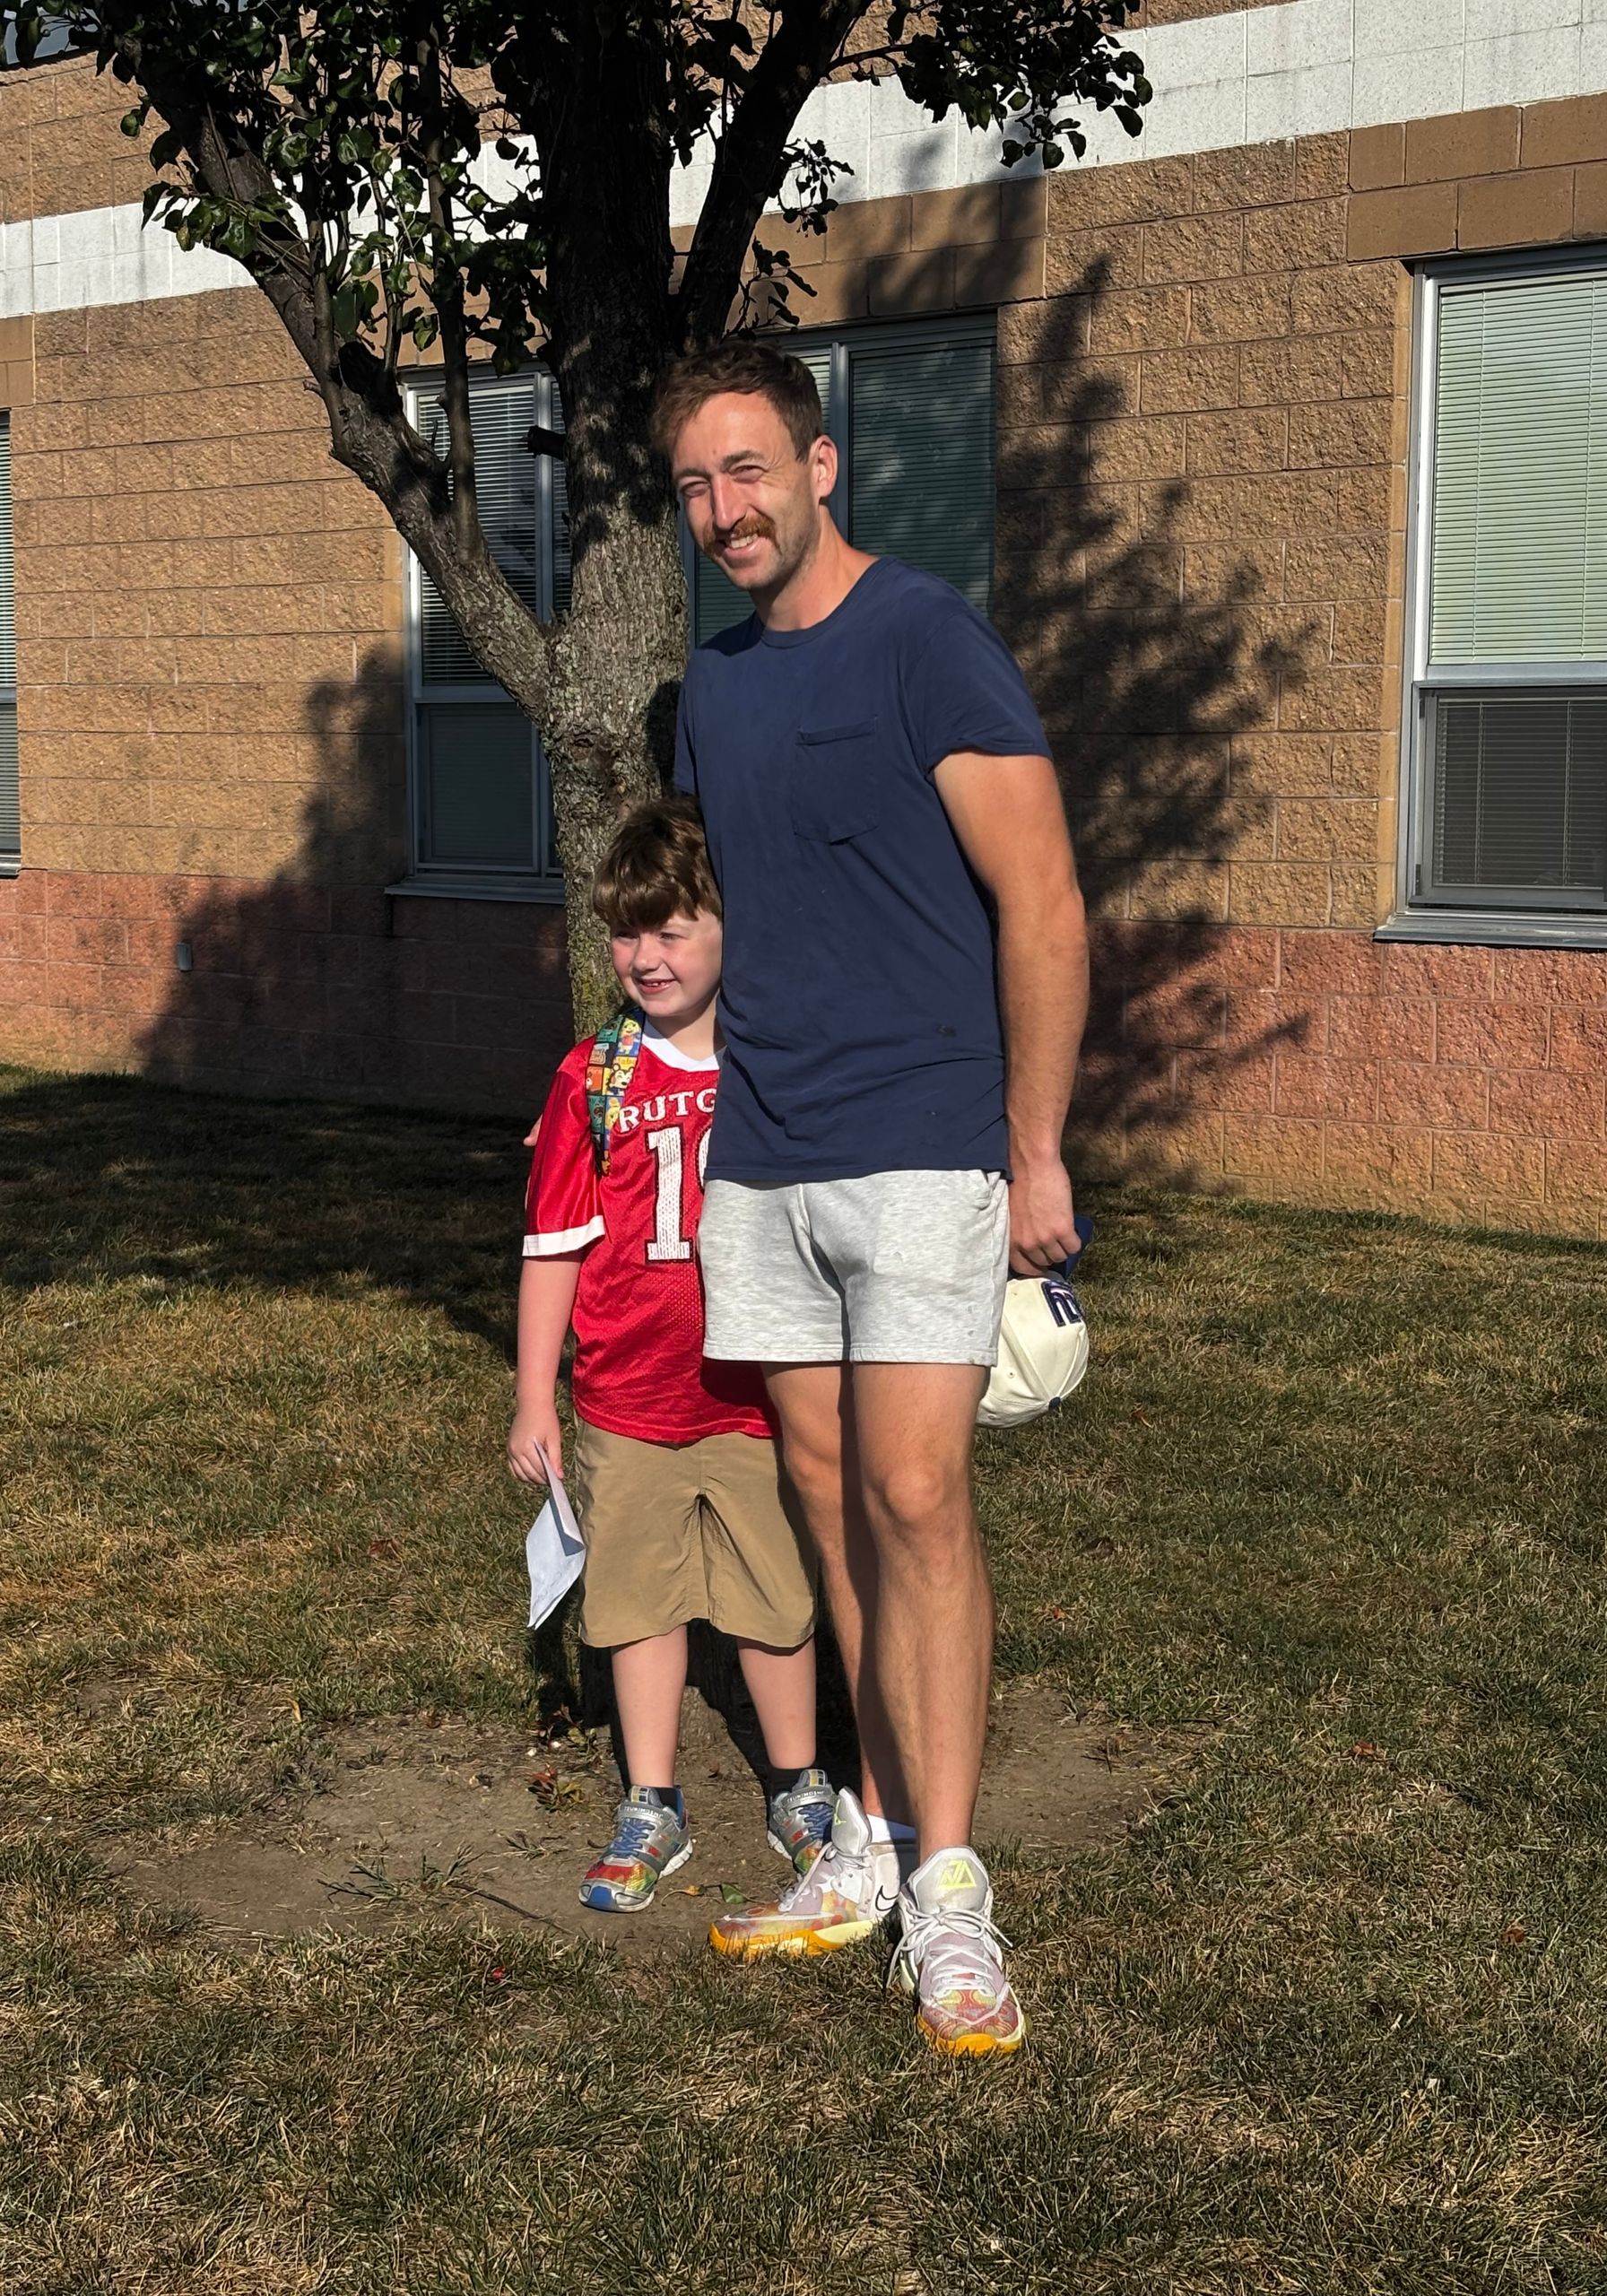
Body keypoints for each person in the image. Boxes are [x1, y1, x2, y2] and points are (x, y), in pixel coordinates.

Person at [657, 340, 1088, 2056]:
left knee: (917, 1495)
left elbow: (1043, 902)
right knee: (831, 1500)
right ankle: (878, 1837)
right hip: (763, 1152)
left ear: (823, 467)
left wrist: (1036, 1144)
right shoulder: (711, 686)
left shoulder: (925, 640)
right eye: (695, 485)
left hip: (922, 1136)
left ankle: (958, 1891)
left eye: (749, 468)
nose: (725, 508)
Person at [508, 794, 835, 1913]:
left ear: (728, 927)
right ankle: (653, 1798)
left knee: (774, 1599)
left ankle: (799, 1783)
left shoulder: (775, 1063)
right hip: (625, 1402)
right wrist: (533, 1399)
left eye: (673, 929)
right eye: (626, 932)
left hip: (763, 1398)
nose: (646, 957)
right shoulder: (591, 1079)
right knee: (637, 1604)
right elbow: (550, 1249)